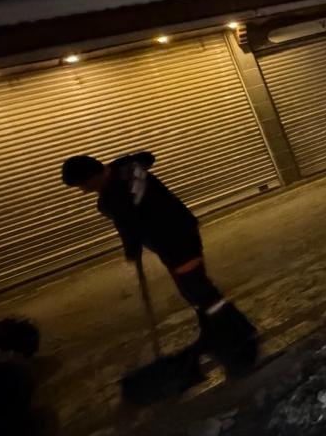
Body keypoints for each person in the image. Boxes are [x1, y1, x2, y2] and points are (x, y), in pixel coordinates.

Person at [61, 152, 257, 373]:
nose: (85, 190)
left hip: (175, 239)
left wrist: (132, 253)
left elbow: (128, 225)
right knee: (191, 290)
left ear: (92, 175)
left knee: (199, 290)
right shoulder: (126, 171)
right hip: (174, 235)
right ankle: (213, 330)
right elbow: (144, 160)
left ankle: (240, 331)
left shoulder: (115, 193)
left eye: (83, 184)